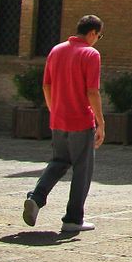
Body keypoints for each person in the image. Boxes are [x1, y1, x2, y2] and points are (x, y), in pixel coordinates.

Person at [21, 13, 105, 235]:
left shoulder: (56, 50)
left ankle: (36, 198)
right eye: (99, 35)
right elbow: (92, 91)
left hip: (58, 119)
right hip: (80, 120)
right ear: (92, 33)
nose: (97, 40)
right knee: (82, 169)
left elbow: (46, 86)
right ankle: (73, 219)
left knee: (58, 162)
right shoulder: (90, 54)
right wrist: (101, 122)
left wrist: (54, 109)